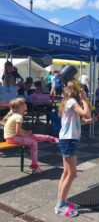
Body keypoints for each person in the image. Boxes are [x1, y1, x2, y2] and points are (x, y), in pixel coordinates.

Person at [55, 81, 90, 217]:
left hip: (68, 140)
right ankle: (60, 205)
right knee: (72, 174)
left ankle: (61, 200)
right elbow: (85, 113)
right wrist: (85, 100)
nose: (81, 92)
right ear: (74, 91)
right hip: (68, 141)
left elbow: (79, 120)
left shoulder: (68, 102)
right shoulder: (71, 102)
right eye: (81, 90)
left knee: (66, 172)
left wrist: (87, 121)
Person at [3, 98, 58, 173]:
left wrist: (26, 132)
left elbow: (18, 130)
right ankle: (34, 165)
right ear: (20, 107)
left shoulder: (16, 115)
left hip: (13, 137)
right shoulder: (18, 117)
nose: (26, 104)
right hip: (13, 138)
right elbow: (18, 132)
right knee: (33, 142)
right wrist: (26, 135)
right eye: (24, 103)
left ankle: (51, 139)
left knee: (34, 136)